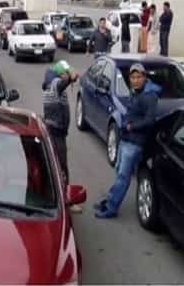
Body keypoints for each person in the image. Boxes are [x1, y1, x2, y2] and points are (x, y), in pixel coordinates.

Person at [95, 63, 160, 219]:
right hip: (125, 139)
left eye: (139, 77)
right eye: (133, 77)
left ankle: (111, 208)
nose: (135, 80)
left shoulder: (150, 96)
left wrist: (131, 126)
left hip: (135, 142)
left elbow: (150, 120)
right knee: (119, 172)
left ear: (144, 77)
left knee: (123, 177)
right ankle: (110, 200)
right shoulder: (136, 92)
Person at [42, 61, 79, 207]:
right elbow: (67, 80)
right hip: (57, 132)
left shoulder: (50, 85)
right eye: (64, 72)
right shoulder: (56, 84)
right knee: (62, 166)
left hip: (53, 130)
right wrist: (71, 76)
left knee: (53, 163)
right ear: (59, 74)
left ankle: (50, 195)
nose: (66, 75)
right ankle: (67, 200)